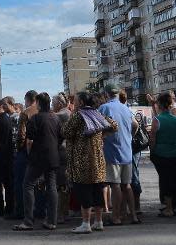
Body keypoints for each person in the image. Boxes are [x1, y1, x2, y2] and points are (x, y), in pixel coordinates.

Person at [63, 91, 118, 234]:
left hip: (82, 161)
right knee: (97, 192)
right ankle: (98, 222)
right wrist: (101, 134)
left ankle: (86, 223)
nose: (73, 104)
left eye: (74, 101)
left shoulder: (78, 115)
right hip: (98, 160)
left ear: (80, 103)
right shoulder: (97, 114)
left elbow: (66, 132)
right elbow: (114, 125)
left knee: (84, 192)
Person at [13, 92, 62, 231]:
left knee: (28, 185)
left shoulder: (35, 118)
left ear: (39, 103)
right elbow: (61, 137)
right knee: (52, 186)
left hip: (38, 157)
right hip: (53, 157)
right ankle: (52, 221)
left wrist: (29, 155)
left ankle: (28, 221)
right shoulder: (55, 118)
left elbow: (29, 141)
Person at [98, 84, 140, 226]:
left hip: (112, 151)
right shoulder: (125, 108)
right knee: (127, 185)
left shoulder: (104, 108)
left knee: (115, 185)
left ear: (106, 94)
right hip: (126, 151)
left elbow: (96, 128)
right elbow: (135, 125)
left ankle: (115, 217)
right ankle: (133, 215)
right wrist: (129, 137)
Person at [148, 91, 176, 217]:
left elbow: (153, 138)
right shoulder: (175, 120)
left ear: (159, 104)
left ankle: (169, 209)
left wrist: (152, 151)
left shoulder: (157, 120)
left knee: (166, 181)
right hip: (175, 153)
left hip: (162, 154)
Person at [12, 90, 39, 219]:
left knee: (21, 183)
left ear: (28, 99)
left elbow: (21, 134)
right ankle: (39, 210)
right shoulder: (43, 111)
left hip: (26, 151)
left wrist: (18, 148)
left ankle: (21, 211)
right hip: (41, 151)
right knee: (39, 183)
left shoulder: (25, 113)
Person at [52, 93, 71, 224]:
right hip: (66, 150)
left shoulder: (61, 114)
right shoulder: (68, 112)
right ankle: (64, 212)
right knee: (64, 184)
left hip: (61, 151)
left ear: (59, 103)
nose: (52, 105)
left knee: (60, 184)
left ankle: (60, 214)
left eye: (53, 102)